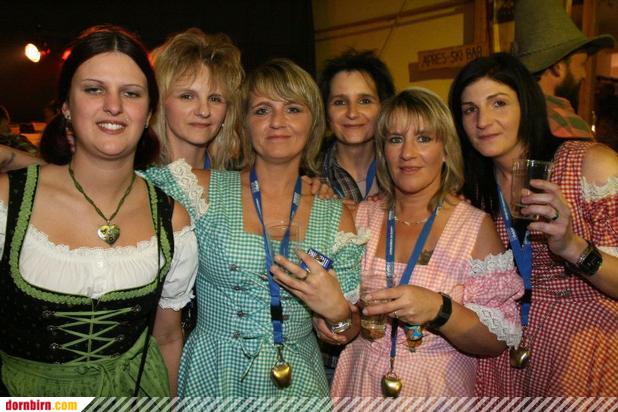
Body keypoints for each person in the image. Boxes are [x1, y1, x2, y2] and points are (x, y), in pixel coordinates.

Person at [144, 58, 366, 396]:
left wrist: (338, 313)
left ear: (314, 123)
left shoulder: (336, 214)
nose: (277, 121)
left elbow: (347, 329)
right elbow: (116, 182)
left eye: (293, 109)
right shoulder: (199, 189)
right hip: (214, 373)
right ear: (244, 124)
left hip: (300, 382)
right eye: (262, 110)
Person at [0, 25, 198, 397]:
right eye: (94, 89)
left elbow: (168, 337)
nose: (114, 106)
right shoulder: (8, 202)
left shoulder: (172, 219)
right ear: (65, 106)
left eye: (131, 93)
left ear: (148, 112)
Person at [330, 88, 523, 397]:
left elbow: (497, 339)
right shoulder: (361, 218)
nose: (407, 153)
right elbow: (345, 319)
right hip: (360, 387)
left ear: (445, 150)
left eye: (423, 138)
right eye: (395, 139)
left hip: (436, 392)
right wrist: (334, 321)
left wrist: (439, 309)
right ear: (383, 151)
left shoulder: (473, 226)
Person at [449, 52, 618, 396]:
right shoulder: (469, 192)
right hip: (504, 361)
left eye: (498, 103)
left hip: (585, 354)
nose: (483, 121)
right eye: (470, 110)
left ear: (526, 105)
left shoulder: (587, 165)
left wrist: (571, 246)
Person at [513, 0, 615, 140]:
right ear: (557, 67)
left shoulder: (511, 112)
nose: (584, 75)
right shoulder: (566, 124)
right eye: (581, 65)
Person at [150, 28, 243, 171]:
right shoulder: (136, 178)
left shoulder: (236, 180)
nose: (204, 111)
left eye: (214, 99)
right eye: (187, 96)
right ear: (160, 103)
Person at [318, 49, 395, 202]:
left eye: (365, 101)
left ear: (384, 107)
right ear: (326, 111)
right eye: (339, 102)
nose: (352, 113)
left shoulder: (404, 167)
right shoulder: (308, 176)